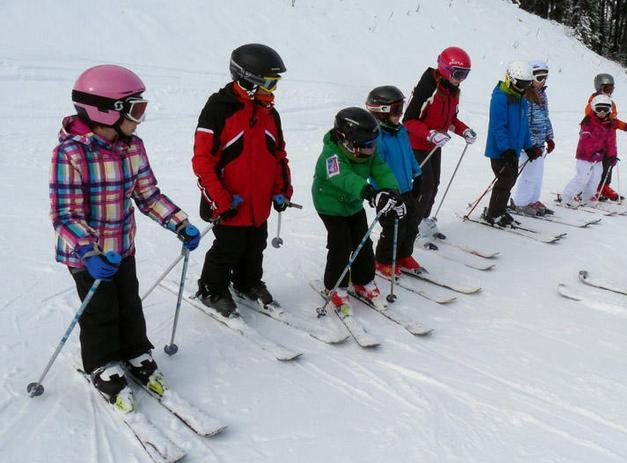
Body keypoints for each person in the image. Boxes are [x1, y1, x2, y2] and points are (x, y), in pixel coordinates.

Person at [51, 65, 201, 413]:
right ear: (106, 110)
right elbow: (65, 214)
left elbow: (147, 194)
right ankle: (102, 363)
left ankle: (135, 350)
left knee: (129, 302)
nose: (140, 119)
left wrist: (180, 223)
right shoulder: (71, 154)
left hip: (122, 247)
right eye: (135, 110)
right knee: (101, 309)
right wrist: (88, 251)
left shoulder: (133, 147)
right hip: (86, 255)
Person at [192, 44, 293, 317]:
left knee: (255, 244)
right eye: (269, 83)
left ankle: (247, 282)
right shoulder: (218, 110)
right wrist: (219, 199)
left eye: (275, 83)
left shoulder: (270, 114)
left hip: (258, 201)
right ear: (248, 80)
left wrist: (282, 190)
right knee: (228, 248)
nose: (273, 90)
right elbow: (203, 161)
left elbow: (278, 156)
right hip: (229, 203)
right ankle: (212, 289)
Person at [312, 107, 404, 315]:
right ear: (348, 142)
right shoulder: (331, 155)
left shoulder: (367, 151)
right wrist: (369, 192)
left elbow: (380, 168)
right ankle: (335, 285)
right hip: (330, 204)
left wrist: (391, 191)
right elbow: (343, 177)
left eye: (373, 144)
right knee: (341, 244)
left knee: (363, 241)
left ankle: (363, 280)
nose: (372, 149)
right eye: (367, 146)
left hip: (353, 203)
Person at [403, 46, 477, 240]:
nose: (461, 79)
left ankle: (422, 219)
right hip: (416, 145)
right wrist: (429, 134)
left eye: (465, 75)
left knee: (434, 184)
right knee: (424, 186)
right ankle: (412, 227)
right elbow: (408, 120)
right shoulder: (428, 87)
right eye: (458, 73)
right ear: (445, 69)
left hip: (434, 145)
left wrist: (464, 130)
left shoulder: (451, 90)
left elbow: (451, 120)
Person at [365, 86, 424, 276]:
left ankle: (403, 255)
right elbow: (375, 168)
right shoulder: (376, 137)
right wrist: (382, 191)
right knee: (393, 228)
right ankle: (383, 259)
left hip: (406, 188)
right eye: (396, 110)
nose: (400, 114)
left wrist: (418, 174)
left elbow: (409, 154)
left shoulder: (400, 130)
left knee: (412, 223)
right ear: (381, 112)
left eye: (401, 108)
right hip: (389, 193)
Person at [482, 61, 541, 227]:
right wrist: (505, 149)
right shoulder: (500, 98)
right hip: (500, 150)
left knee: (510, 180)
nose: (523, 87)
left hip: (513, 150)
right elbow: (498, 127)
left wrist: (529, 146)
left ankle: (500, 210)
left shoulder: (521, 98)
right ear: (510, 80)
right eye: (520, 84)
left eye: (526, 84)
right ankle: (493, 214)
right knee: (505, 179)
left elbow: (523, 127)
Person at [583, 73, 627, 201]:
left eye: (611, 89)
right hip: (596, 140)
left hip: (609, 139)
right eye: (607, 88)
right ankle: (589, 188)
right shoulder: (593, 102)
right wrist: (606, 120)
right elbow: (590, 117)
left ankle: (604, 186)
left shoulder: (611, 103)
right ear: (599, 87)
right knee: (594, 165)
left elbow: (614, 121)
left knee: (609, 162)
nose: (610, 91)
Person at [511, 60, 555, 216]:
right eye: (539, 78)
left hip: (539, 144)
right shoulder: (526, 96)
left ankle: (533, 200)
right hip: (528, 147)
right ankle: (520, 203)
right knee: (529, 176)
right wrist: (529, 144)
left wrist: (549, 137)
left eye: (545, 77)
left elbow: (545, 117)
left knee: (537, 176)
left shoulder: (543, 94)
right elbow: (524, 123)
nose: (543, 81)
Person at [560, 95, 618, 209]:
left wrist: (612, 156)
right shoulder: (588, 122)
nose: (602, 112)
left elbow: (610, 142)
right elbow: (585, 141)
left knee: (596, 177)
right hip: (585, 157)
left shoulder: (609, 124)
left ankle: (588, 198)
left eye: (605, 109)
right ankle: (567, 197)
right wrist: (593, 152)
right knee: (582, 177)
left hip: (598, 158)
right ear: (593, 108)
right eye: (599, 108)